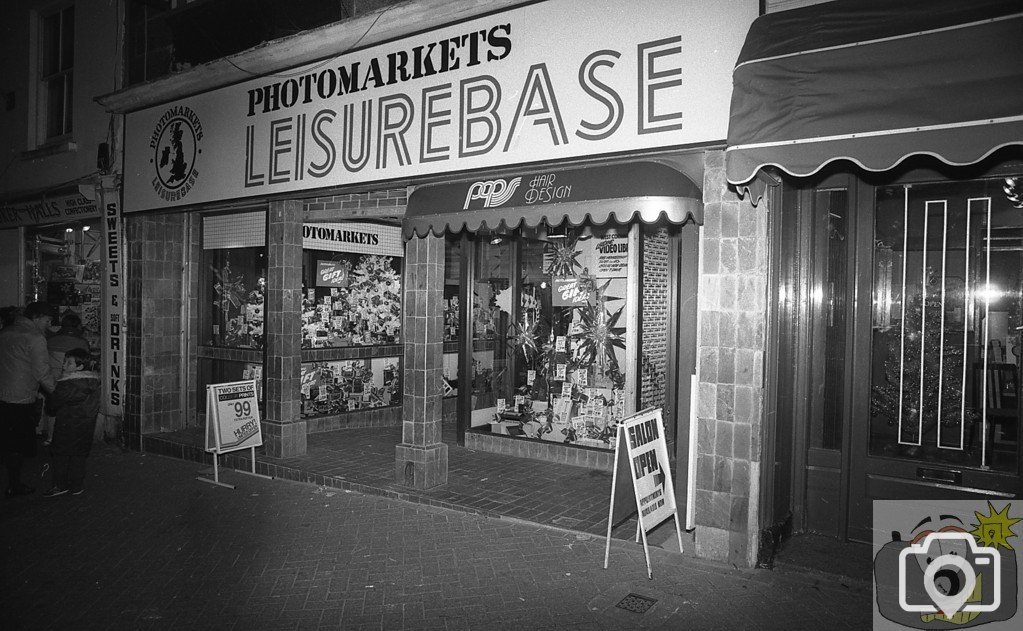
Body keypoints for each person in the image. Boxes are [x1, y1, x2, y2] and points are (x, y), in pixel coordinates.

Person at [0, 302, 56, 497]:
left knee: (6, 441)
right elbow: (42, 372)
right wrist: (57, 393)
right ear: (37, 317)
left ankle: (12, 482)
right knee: (17, 444)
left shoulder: (6, 331)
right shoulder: (35, 337)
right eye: (48, 320)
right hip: (20, 397)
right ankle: (14, 485)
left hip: (3, 394)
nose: (49, 325)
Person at [43, 347, 100, 497]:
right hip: (85, 427)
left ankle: (60, 485)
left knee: (60, 456)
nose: (64, 365)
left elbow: (52, 406)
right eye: (64, 362)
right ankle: (76, 486)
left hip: (67, 425)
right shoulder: (93, 382)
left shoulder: (67, 384)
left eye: (69, 363)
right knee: (78, 456)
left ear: (79, 367)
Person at [42, 311, 90, 444]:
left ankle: (50, 437)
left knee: (53, 407)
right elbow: (85, 359)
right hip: (71, 379)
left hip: (51, 378)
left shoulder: (51, 340)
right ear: (78, 326)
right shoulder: (82, 342)